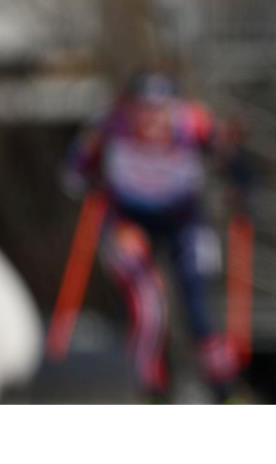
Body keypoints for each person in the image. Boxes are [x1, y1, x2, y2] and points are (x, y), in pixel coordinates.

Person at [61, 69, 251, 402]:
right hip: (129, 220)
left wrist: (241, 185)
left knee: (198, 310)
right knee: (148, 310)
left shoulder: (193, 122)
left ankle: (224, 388)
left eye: (161, 107)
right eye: (144, 107)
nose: (152, 118)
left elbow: (231, 158)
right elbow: (73, 169)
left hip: (183, 219)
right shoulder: (110, 124)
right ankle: (150, 391)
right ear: (130, 107)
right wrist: (85, 176)